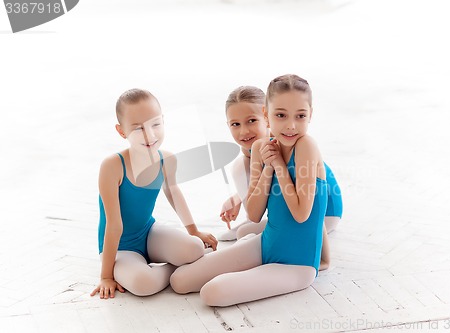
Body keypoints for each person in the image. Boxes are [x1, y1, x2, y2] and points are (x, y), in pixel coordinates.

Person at [171, 74, 334, 306]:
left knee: (211, 293)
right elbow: (254, 214)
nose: (290, 125)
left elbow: (302, 214)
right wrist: (268, 166)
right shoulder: (260, 148)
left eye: (300, 116)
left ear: (311, 114)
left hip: (296, 265)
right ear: (267, 115)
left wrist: (278, 165)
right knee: (180, 281)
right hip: (266, 244)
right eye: (280, 115)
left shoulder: (306, 145)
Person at [90, 88, 218, 299]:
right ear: (122, 131)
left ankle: (172, 264)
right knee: (143, 284)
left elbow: (174, 194)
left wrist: (194, 231)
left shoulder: (166, 160)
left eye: (155, 124)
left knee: (194, 248)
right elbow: (114, 224)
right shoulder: (113, 166)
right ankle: (174, 269)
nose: (150, 135)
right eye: (138, 128)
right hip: (120, 247)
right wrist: (106, 276)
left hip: (148, 233)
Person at [219, 85, 343, 269]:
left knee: (246, 230)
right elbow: (272, 185)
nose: (244, 131)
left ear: (266, 117)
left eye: (252, 120)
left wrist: (322, 257)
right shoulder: (256, 150)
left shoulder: (288, 143)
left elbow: (312, 197)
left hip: (324, 214)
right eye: (235, 124)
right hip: (290, 209)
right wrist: (238, 197)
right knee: (246, 229)